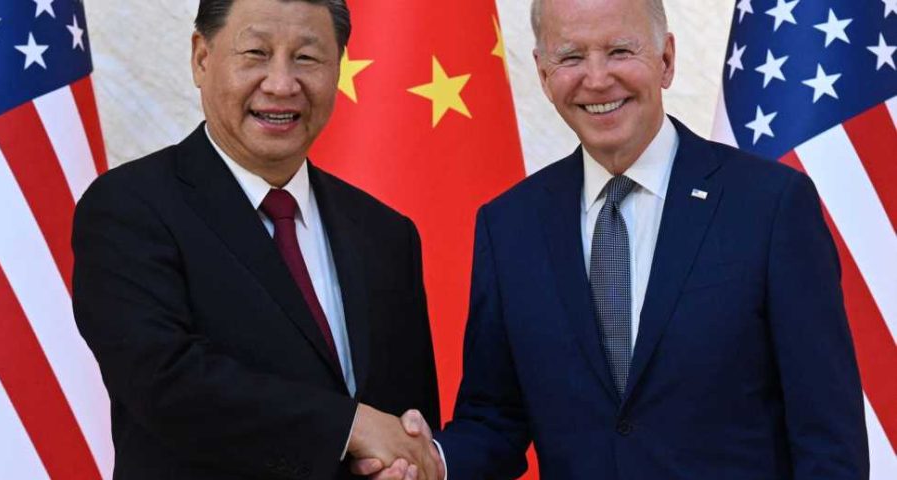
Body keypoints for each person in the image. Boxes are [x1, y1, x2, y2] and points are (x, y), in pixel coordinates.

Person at [355, 0, 869, 478]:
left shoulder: (772, 205)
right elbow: (496, 418)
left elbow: (827, 435)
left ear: (666, 59)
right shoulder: (509, 224)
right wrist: (432, 461)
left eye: (620, 51)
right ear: (542, 73)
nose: (597, 79)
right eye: (571, 57)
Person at [71, 0, 443, 478]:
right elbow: (164, 382)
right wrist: (346, 428)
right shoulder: (128, 207)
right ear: (201, 58)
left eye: (307, 58)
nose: (282, 84)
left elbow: (406, 422)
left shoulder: (385, 233)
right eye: (256, 53)